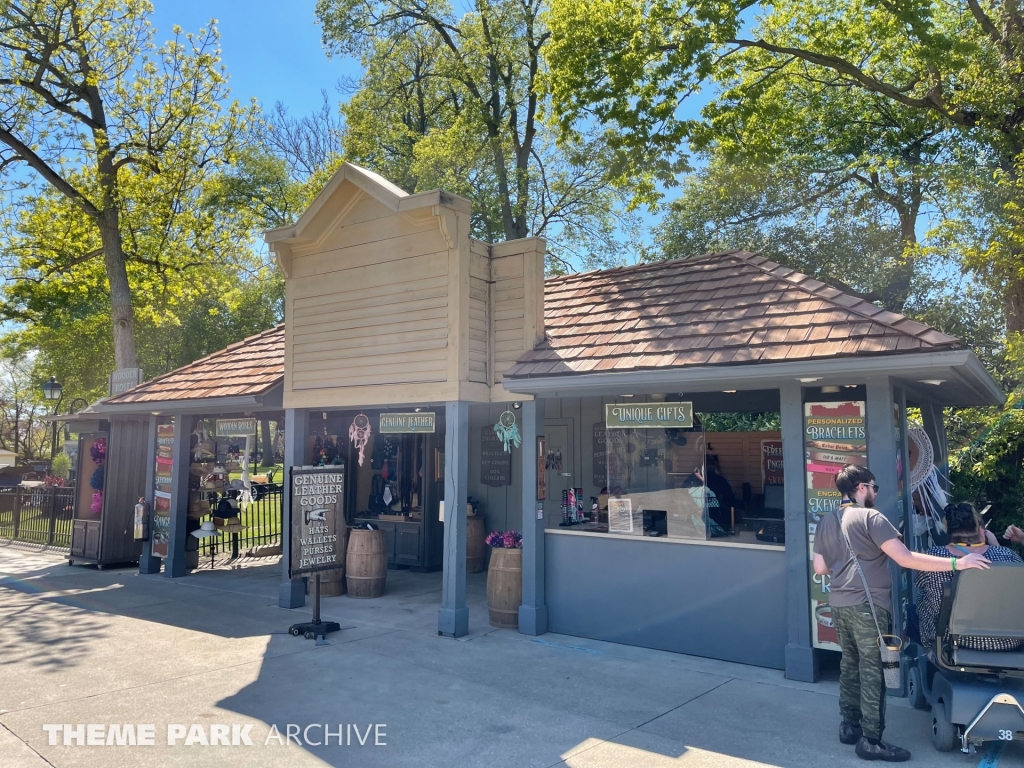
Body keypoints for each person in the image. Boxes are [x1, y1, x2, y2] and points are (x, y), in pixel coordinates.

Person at [813, 465, 990, 763]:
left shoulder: (827, 520)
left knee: (850, 665)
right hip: (869, 607)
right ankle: (871, 740)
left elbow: (820, 568)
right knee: (873, 671)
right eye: (874, 486)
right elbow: (905, 559)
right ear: (860, 488)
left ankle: (849, 725)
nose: (876, 492)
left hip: (839, 604)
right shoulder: (871, 517)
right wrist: (958, 564)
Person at [917, 503, 1022, 654]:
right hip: (1008, 640)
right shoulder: (1006, 556)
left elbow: (920, 583)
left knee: (921, 599)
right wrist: (995, 545)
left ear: (948, 530)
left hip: (953, 640)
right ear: (981, 530)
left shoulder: (934, 556)